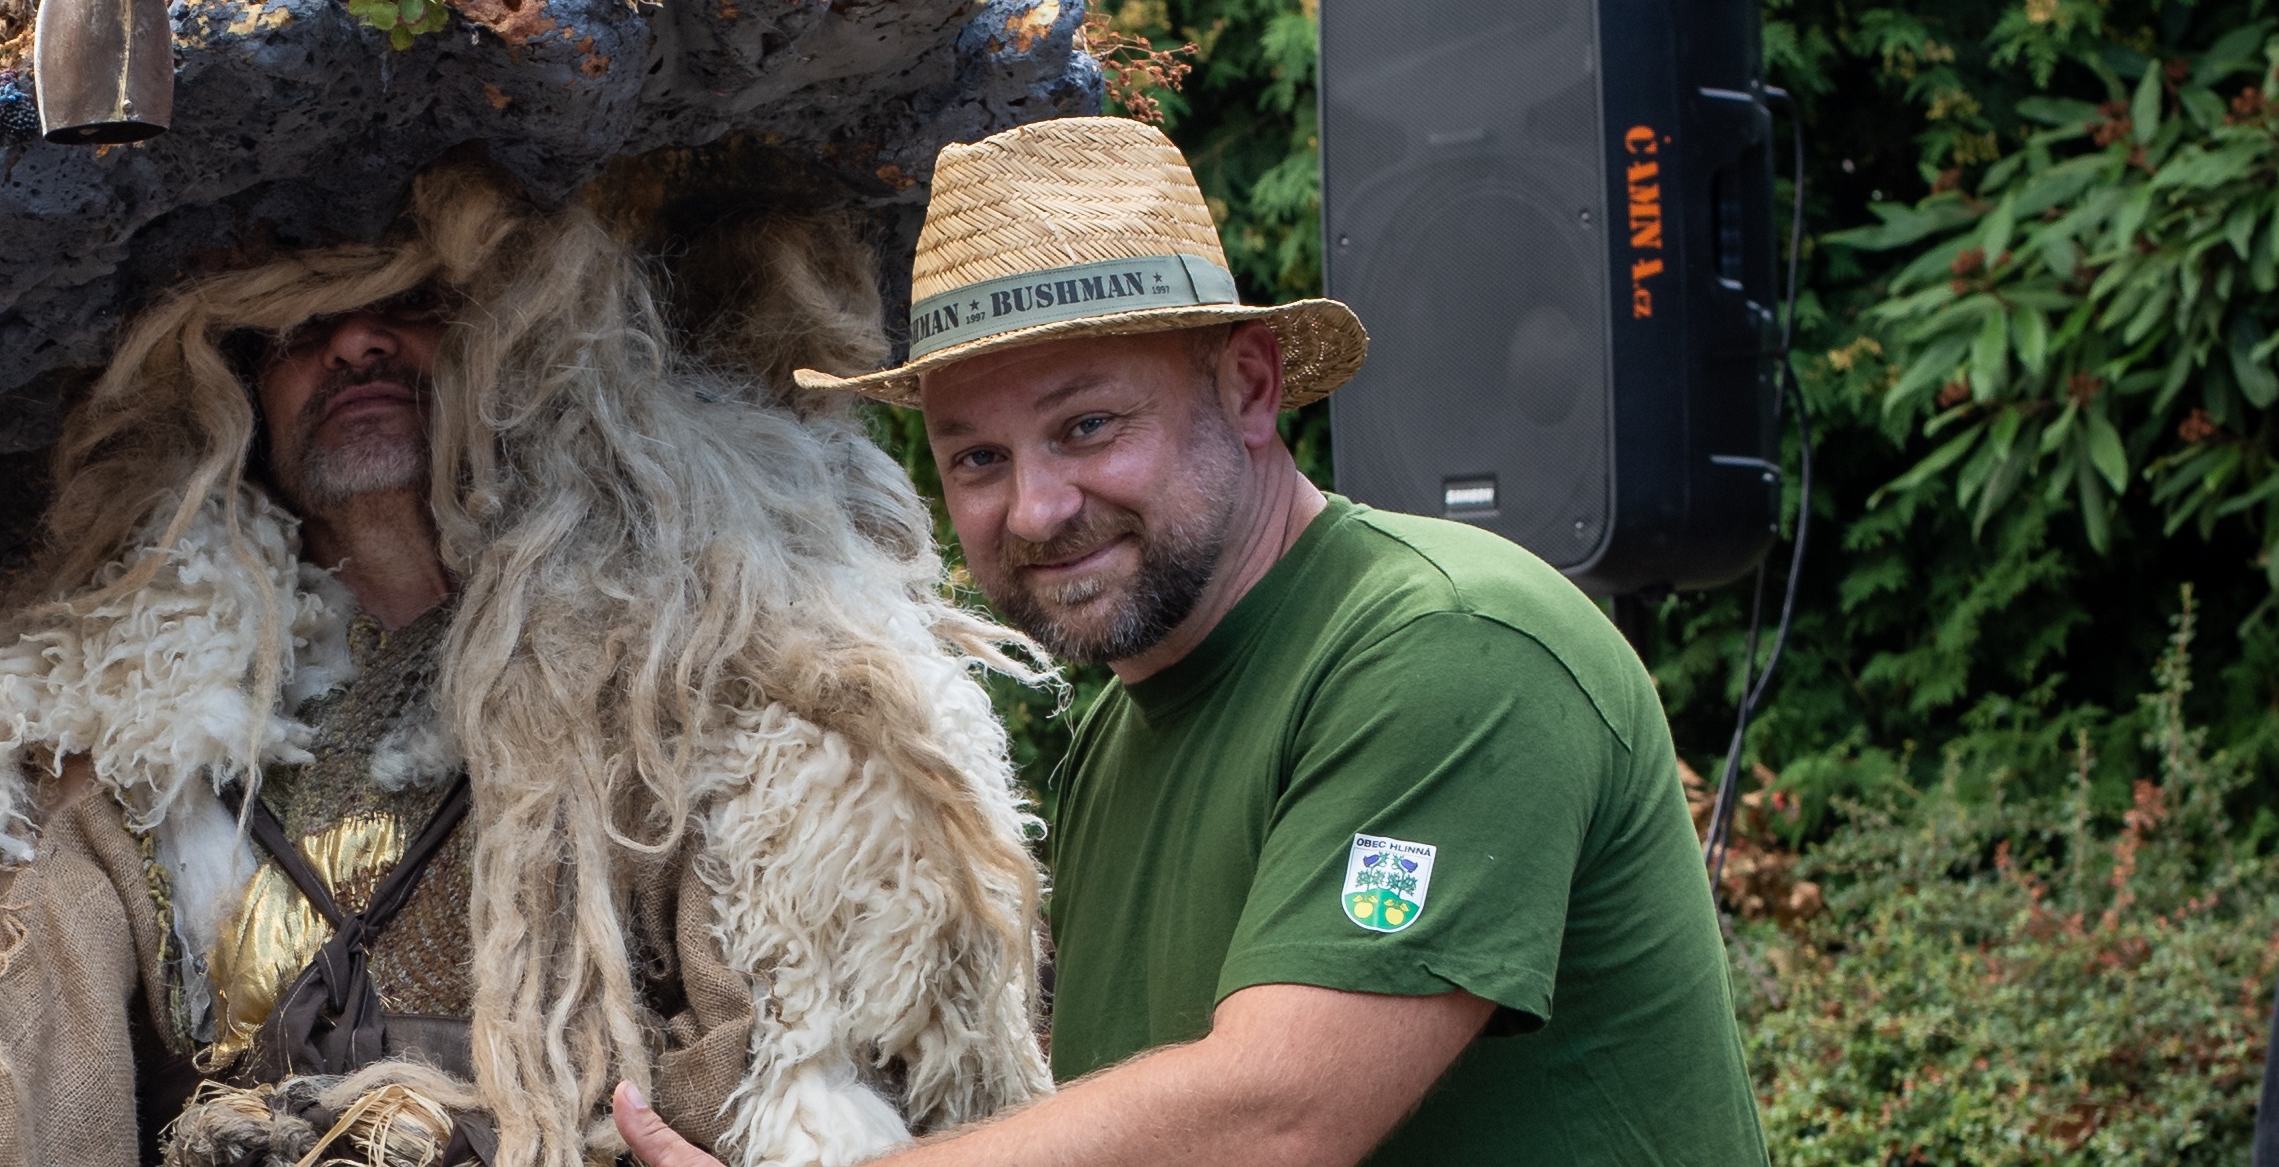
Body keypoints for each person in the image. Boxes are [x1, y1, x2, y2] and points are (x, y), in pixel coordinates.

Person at [0, 163, 1055, 1167]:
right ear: (233, 399)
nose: (353, 344)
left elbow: (776, 1044)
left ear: (509, 344)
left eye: (406, 311)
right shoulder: (138, 729)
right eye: (297, 330)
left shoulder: (689, 677)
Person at [612, 117, 1768, 1167]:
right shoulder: (1120, 725)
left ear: (1252, 387)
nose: (1035, 507)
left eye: (1088, 425)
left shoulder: (1452, 647)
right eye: (978, 457)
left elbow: (1281, 1114)